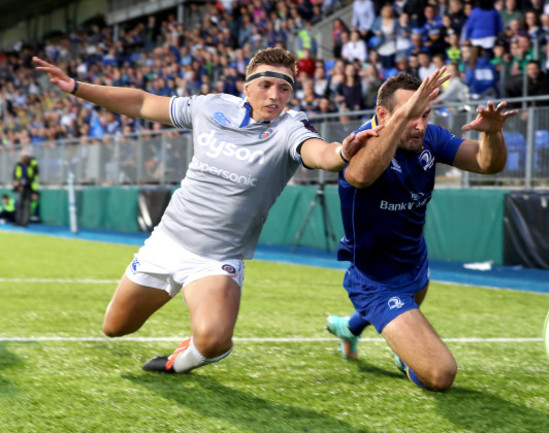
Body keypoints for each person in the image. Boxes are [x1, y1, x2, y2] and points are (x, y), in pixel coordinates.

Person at [33, 47, 384, 375]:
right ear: (246, 87)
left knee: (213, 340)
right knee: (114, 327)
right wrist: (76, 87)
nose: (274, 96)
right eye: (265, 85)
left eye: (284, 88)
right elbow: (142, 103)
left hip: (216, 259)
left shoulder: (290, 127)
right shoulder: (211, 107)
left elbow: (318, 153)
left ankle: (183, 360)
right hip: (166, 242)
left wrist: (342, 152)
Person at [325, 71, 517, 391]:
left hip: (415, 262)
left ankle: (350, 327)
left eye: (425, 114)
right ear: (384, 115)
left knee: (410, 308)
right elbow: (359, 176)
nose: (420, 125)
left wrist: (493, 135)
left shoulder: (430, 138)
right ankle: (406, 358)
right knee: (441, 374)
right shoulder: (361, 143)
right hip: (376, 281)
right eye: (410, 116)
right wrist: (401, 119)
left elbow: (488, 164)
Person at [12, 151, 39, 227]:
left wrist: (33, 191)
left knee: (26, 205)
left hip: (28, 188)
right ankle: (18, 221)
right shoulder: (18, 165)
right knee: (19, 204)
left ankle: (24, 223)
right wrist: (17, 183)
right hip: (20, 187)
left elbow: (34, 178)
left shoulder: (33, 166)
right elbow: (14, 175)